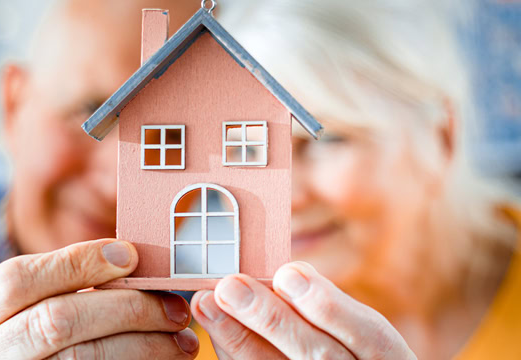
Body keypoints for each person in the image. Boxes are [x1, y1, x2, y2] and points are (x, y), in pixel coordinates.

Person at [188, 0, 521, 359]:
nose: (282, 198)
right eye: (243, 149)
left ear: (442, 136)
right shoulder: (215, 345)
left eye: (326, 140)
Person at [0, 1, 201, 358]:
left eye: (174, 138)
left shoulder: (212, 317)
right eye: (91, 112)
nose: (116, 187)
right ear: (13, 103)